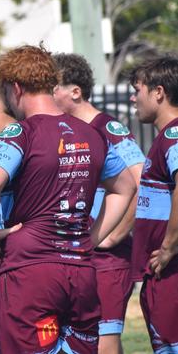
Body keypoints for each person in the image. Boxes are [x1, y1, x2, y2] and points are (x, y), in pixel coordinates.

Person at [0, 45, 136, 354]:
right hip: (82, 273)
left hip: (30, 271)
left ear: (15, 88)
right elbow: (125, 187)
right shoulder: (91, 133)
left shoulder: (20, 132)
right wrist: (91, 237)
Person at [53, 53, 145, 354]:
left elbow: (142, 181)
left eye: (54, 87)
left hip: (107, 258)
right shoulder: (62, 131)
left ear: (75, 92)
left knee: (103, 343)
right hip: (79, 256)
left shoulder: (107, 128)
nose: (48, 95)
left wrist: (115, 234)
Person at [129, 56, 178, 353]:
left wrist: (170, 246)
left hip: (171, 269)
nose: (134, 98)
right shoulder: (164, 138)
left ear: (158, 92)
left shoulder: (174, 135)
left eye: (138, 89)